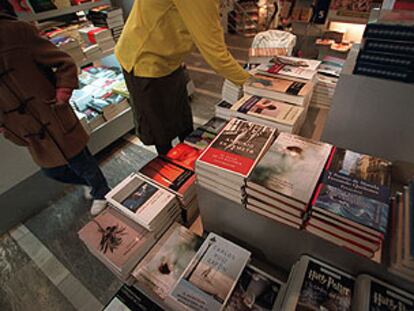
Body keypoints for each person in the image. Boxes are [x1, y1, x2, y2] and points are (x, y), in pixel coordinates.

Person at [0, 4, 110, 215]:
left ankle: (101, 190)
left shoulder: (17, 31)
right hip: (25, 126)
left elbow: (63, 61)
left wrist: (63, 91)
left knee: (81, 160)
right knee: (52, 170)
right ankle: (90, 183)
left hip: (50, 113)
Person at [115, 0, 250, 155]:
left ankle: (189, 158)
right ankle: (174, 171)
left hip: (168, 57)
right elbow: (216, 54)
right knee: (161, 133)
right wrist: (254, 84)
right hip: (144, 60)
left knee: (183, 121)